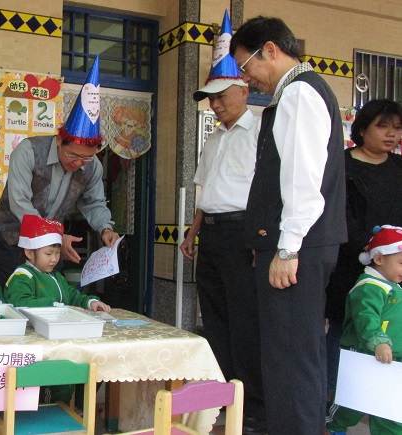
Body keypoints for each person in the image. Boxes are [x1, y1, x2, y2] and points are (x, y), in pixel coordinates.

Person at [230, 16, 347, 435]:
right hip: (304, 245)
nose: (248, 78)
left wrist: (286, 248)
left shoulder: (298, 93)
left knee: (290, 356)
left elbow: (302, 179)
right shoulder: (303, 91)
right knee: (298, 353)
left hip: (299, 246)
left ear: (271, 50)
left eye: (247, 66)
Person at [179, 11, 265, 434]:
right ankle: (220, 396)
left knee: (244, 319)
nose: (214, 104)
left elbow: (270, 193)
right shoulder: (212, 138)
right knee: (212, 316)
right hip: (211, 234)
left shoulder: (260, 131)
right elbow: (204, 189)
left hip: (242, 233)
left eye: (220, 95)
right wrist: (192, 232)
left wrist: (259, 240)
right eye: (210, 98)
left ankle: (248, 404)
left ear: (243, 89)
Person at [0, 56, 120, 286]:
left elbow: (94, 203)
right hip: (13, 236)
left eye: (86, 158)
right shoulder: (29, 151)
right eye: (73, 155)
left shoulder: (92, 166)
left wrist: (105, 229)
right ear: (60, 141)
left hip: (51, 246)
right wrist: (57, 237)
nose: (79, 163)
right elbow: (20, 203)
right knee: (14, 296)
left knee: (51, 297)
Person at [324, 99, 402, 399]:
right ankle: (338, 398)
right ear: (363, 127)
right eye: (382, 126)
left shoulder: (398, 166)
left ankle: (381, 401)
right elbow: (338, 216)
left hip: (395, 266)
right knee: (348, 328)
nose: (391, 134)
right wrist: (373, 251)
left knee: (391, 327)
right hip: (350, 264)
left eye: (396, 128)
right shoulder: (342, 165)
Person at [6, 214, 111, 405]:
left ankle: (78, 410)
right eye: (48, 254)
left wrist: (90, 302)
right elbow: (20, 303)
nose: (54, 259)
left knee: (95, 365)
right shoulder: (23, 275)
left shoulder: (55, 276)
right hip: (41, 347)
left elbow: (72, 296)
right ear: (30, 253)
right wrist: (57, 307)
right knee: (55, 386)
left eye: (57, 253)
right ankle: (52, 411)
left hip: (63, 341)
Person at [325, 225, 402, 435]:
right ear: (379, 259)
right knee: (352, 404)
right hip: (365, 356)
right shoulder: (369, 287)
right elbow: (365, 317)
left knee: (390, 409)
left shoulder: (393, 286)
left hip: (392, 360)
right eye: (401, 263)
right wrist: (378, 340)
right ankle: (331, 427)